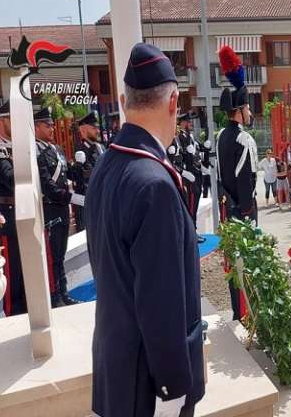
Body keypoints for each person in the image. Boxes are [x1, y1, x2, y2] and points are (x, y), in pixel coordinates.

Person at [86, 42, 204, 417]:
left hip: (117, 371)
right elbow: (161, 301)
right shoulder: (154, 183)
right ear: (173, 103)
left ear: (124, 101)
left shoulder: (106, 167)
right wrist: (171, 389)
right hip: (149, 387)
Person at [216, 45, 259, 321]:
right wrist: (248, 213)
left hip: (227, 208)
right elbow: (247, 180)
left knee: (234, 261)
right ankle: (247, 312)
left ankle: (237, 310)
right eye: (247, 108)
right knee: (248, 262)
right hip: (244, 210)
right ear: (240, 110)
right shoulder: (244, 139)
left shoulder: (221, 135)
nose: (250, 113)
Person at [34, 107, 84, 307]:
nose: (52, 128)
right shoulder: (37, 152)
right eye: (48, 125)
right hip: (51, 209)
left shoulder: (58, 149)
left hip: (63, 209)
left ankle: (63, 293)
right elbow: (47, 185)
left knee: (61, 255)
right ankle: (55, 298)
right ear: (37, 127)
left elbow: (68, 175)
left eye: (52, 124)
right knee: (53, 256)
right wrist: (71, 197)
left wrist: (78, 168)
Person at [0, 101, 27, 316]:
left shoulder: (15, 147)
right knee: (13, 276)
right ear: (0, 122)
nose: (15, 123)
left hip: (23, 213)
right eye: (10, 119)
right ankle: (14, 315)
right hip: (9, 217)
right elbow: (12, 179)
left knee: (25, 272)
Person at [69, 111, 105, 232]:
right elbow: (81, 178)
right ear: (83, 130)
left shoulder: (100, 148)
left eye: (97, 127)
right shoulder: (81, 151)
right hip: (88, 203)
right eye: (94, 127)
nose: (97, 130)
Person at [176, 112, 203, 233]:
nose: (191, 123)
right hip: (188, 177)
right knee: (191, 204)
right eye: (188, 121)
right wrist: (184, 172)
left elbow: (196, 154)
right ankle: (191, 233)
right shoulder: (179, 137)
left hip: (195, 174)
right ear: (182, 123)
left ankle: (194, 230)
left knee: (195, 202)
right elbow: (176, 158)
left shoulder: (190, 137)